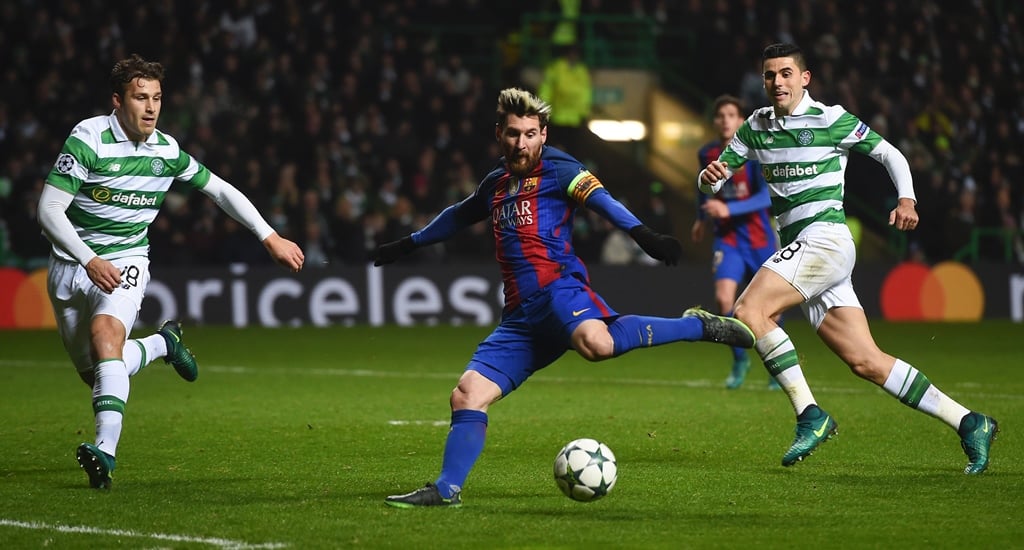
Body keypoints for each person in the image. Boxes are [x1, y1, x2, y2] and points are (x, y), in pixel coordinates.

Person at [375, 88, 755, 508]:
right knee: (467, 394)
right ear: (499, 133)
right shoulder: (496, 183)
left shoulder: (559, 169)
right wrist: (410, 243)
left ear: (543, 135)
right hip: (520, 316)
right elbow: (460, 214)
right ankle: (447, 489)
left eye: (531, 134)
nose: (522, 143)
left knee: (597, 344)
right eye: (514, 134)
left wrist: (644, 235)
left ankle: (696, 325)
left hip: (559, 288)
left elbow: (602, 201)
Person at [698, 43, 999, 474]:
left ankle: (810, 415)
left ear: (805, 78)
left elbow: (889, 153)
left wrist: (907, 198)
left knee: (750, 308)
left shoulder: (829, 118)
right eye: (769, 75)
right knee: (867, 361)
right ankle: (970, 422)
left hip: (825, 240)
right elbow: (713, 179)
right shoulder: (755, 126)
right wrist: (709, 179)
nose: (777, 82)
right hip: (806, 253)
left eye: (786, 73)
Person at [38, 54, 305, 489]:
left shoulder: (166, 151)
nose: (150, 108)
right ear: (117, 102)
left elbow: (219, 190)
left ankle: (104, 452)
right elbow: (48, 211)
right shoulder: (88, 139)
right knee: (98, 373)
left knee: (106, 338)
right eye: (140, 97)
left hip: (126, 261)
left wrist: (268, 235)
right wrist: (89, 258)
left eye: (157, 98)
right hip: (72, 264)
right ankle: (163, 344)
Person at [692, 95, 782, 390]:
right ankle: (740, 358)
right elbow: (704, 189)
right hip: (728, 238)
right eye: (720, 115)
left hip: (758, 237)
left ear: (742, 120)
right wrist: (699, 218)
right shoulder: (707, 153)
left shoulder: (754, 154)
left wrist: (728, 209)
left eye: (731, 114)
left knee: (770, 308)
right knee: (723, 301)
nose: (725, 120)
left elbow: (766, 196)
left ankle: (776, 365)